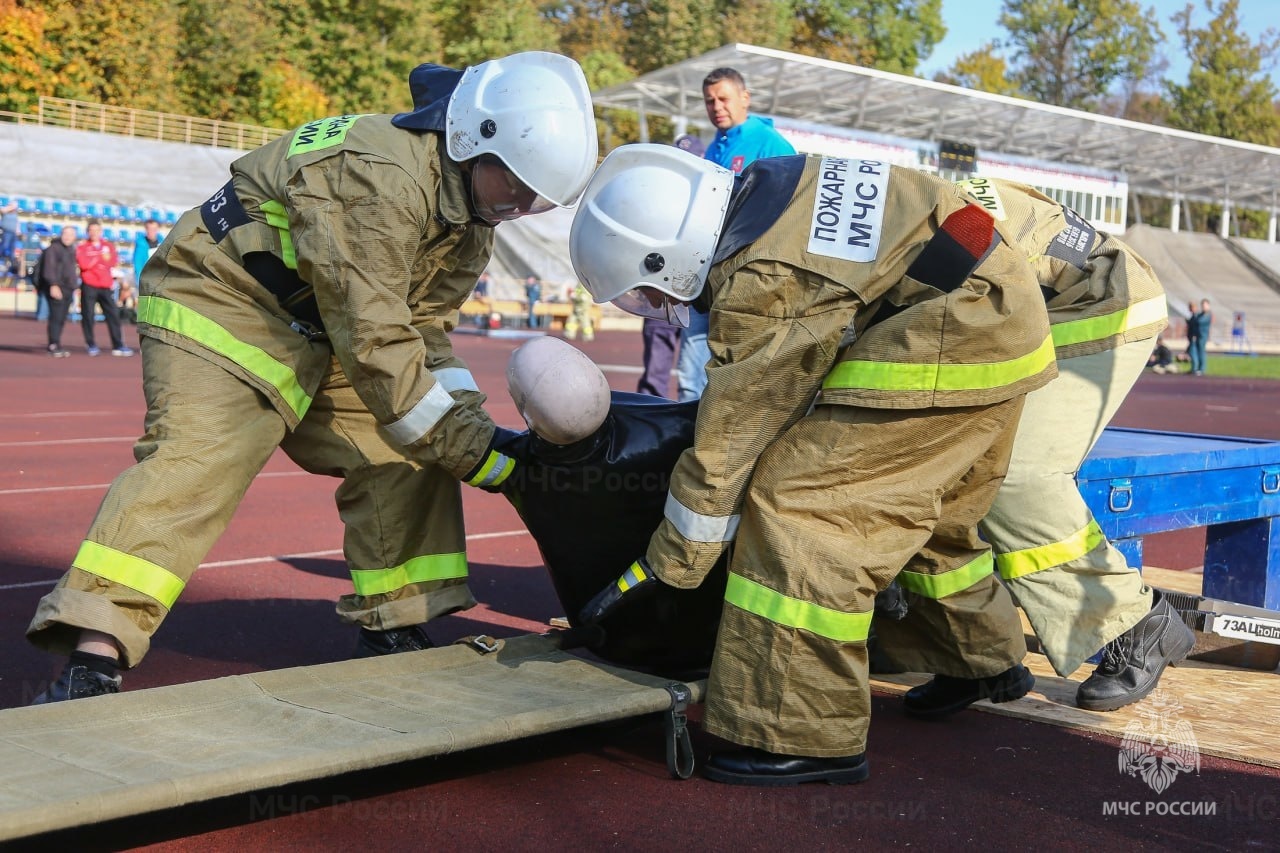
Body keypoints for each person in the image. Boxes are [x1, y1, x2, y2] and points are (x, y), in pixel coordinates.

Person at [25, 51, 599, 703]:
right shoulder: (382, 173)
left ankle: (395, 625)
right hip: (224, 296)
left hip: (325, 324)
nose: (523, 205)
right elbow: (379, 338)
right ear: (474, 140)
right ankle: (92, 655)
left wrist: (480, 435)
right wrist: (488, 458)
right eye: (518, 184)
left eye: (538, 198)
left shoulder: (472, 217)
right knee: (201, 458)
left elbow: (422, 336)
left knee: (406, 451)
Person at [569, 145, 1056, 785]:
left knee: (804, 508)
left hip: (952, 335)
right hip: (998, 315)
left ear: (669, 250)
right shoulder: (775, 188)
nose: (657, 302)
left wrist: (674, 564)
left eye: (648, 286)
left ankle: (802, 733)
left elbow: (737, 431)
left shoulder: (763, 275)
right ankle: (980, 657)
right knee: (924, 511)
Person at [872, 178, 1195, 717]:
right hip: (1026, 302)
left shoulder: (924, 224)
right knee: (946, 464)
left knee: (1016, 476)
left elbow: (970, 271)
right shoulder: (867, 216)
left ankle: (1139, 626)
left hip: (1094, 300)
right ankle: (971, 657)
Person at [676, 67, 796, 402]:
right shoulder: (715, 148)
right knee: (690, 375)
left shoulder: (771, 144)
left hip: (745, 281)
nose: (716, 106)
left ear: (745, 98)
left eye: (723, 98)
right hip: (706, 277)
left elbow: (791, 210)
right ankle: (682, 447)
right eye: (709, 101)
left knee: (733, 378)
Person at [76, 220, 133, 357]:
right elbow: (84, 264)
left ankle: (118, 344)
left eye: (97, 230)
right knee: (88, 315)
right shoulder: (82, 247)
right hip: (89, 285)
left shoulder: (108, 246)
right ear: (88, 232)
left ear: (101, 232)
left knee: (113, 315)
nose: (94, 233)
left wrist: (95, 261)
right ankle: (91, 344)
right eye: (92, 230)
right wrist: (98, 259)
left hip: (105, 286)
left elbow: (112, 262)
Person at [36, 225, 80, 358]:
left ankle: (56, 343)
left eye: (70, 234)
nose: (67, 237)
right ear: (61, 234)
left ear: (74, 237)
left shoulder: (71, 249)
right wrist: (53, 285)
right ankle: (53, 345)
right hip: (57, 287)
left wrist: (74, 286)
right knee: (56, 317)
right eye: (65, 233)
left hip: (68, 288)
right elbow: (49, 269)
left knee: (61, 318)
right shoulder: (53, 249)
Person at [1189, 298, 1212, 374]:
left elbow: (1199, 321)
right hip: (1198, 336)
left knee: (1201, 352)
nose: (1203, 307)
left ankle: (1202, 369)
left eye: (1205, 305)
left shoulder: (1208, 315)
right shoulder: (1200, 314)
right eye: (1203, 305)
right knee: (1197, 352)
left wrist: (1196, 318)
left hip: (1203, 336)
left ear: (1208, 306)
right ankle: (1197, 368)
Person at [0, 198, 19, 279]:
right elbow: (2, 210)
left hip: (13, 233)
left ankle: (11, 265)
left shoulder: (15, 213)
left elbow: (17, 222)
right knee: (4, 246)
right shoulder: (5, 211)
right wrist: (12, 206)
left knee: (12, 250)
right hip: (6, 232)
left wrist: (18, 229)